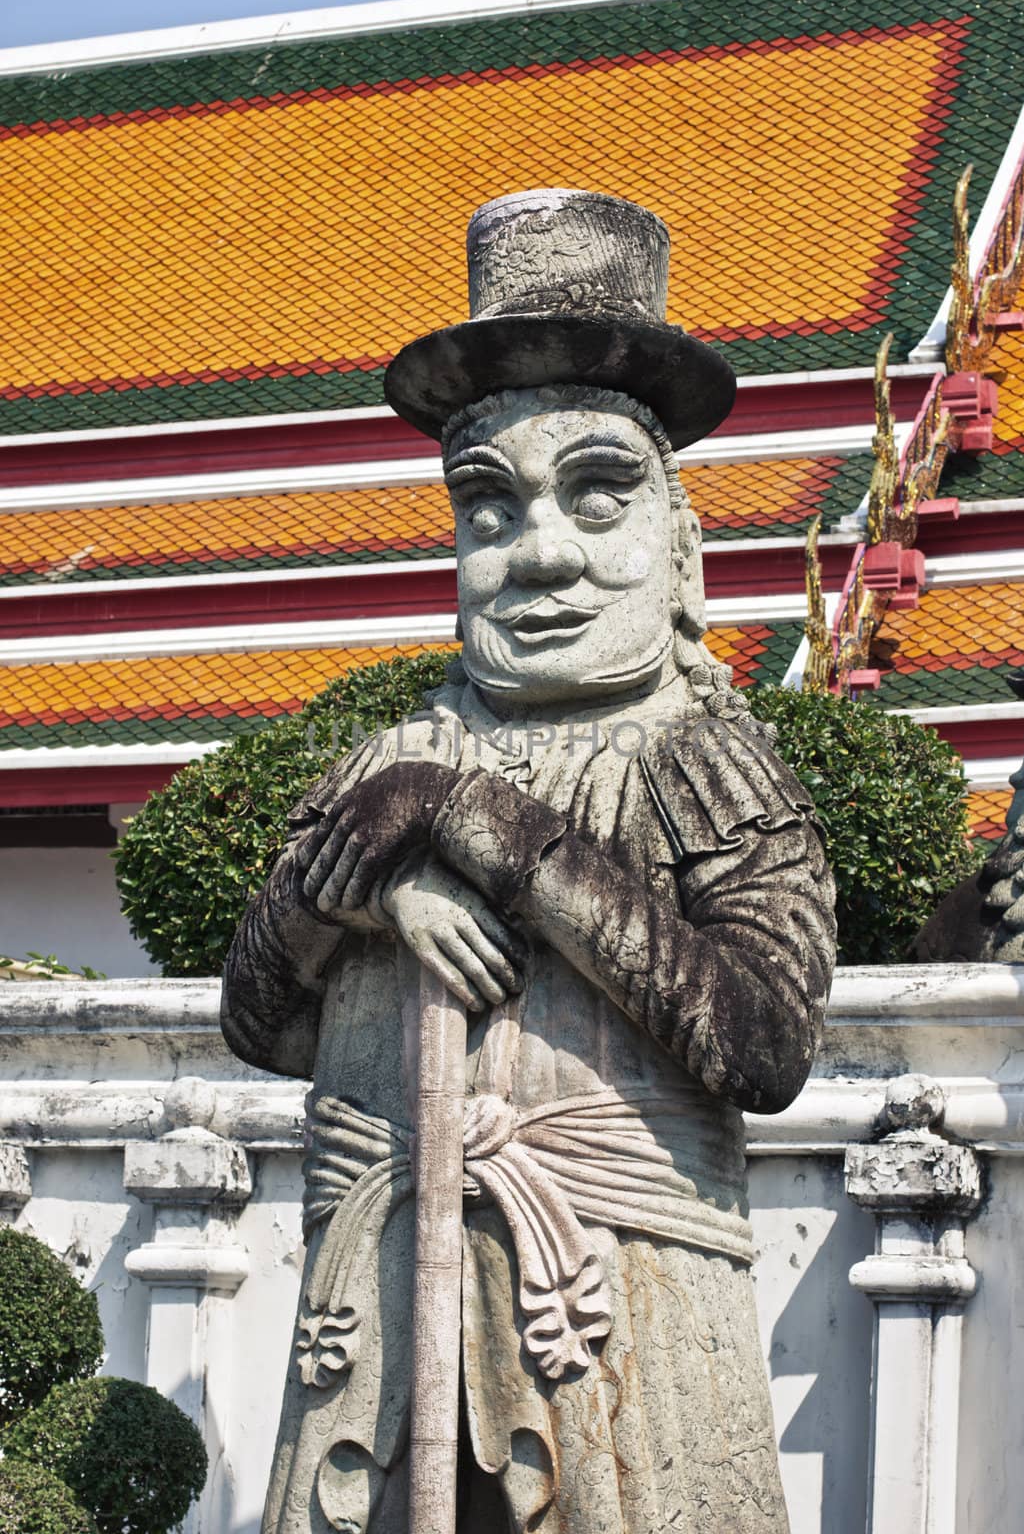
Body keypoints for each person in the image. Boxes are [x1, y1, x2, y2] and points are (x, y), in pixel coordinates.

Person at [222, 189, 836, 1534]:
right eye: (489, 508)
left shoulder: (704, 757)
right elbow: (260, 1018)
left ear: (678, 542)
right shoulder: (383, 755)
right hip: (376, 1320)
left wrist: (486, 832)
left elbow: (760, 1044)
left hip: (619, 1319)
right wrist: (374, 888)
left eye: (598, 494)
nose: (539, 554)